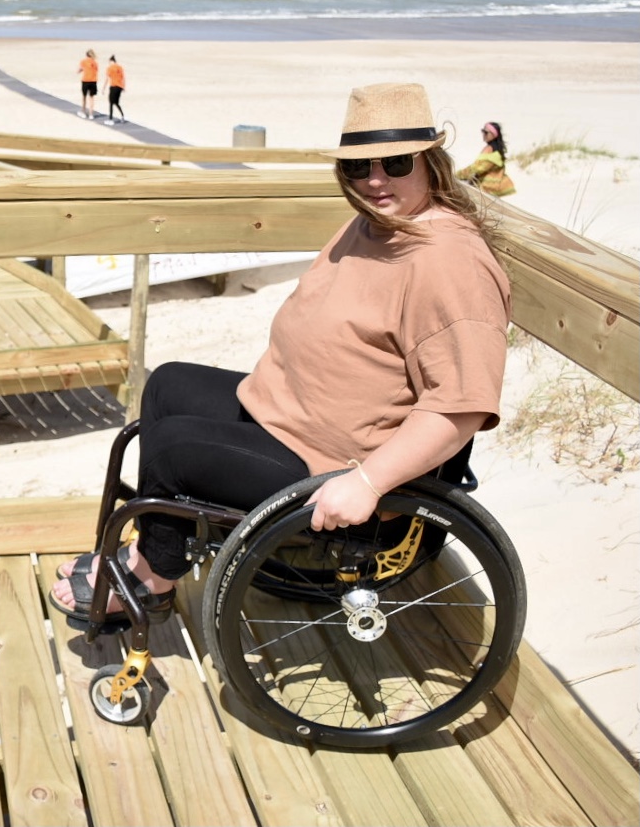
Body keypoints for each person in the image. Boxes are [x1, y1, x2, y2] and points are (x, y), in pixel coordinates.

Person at [49, 82, 511, 623]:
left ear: (431, 161)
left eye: (396, 161)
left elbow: (460, 407)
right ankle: (141, 552)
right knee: (168, 384)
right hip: (289, 417)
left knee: (173, 449)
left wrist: (367, 482)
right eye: (360, 168)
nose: (376, 179)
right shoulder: (378, 222)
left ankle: (151, 579)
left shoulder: (450, 262)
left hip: (337, 463)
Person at [456, 120, 516, 196]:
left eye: (486, 132)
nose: (483, 134)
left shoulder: (490, 149)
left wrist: (457, 175)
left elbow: (477, 168)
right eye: (483, 131)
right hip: (493, 190)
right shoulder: (497, 150)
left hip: (486, 190)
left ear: (494, 135)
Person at [104, 54, 126, 124]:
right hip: (119, 87)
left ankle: (110, 119)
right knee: (116, 102)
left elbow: (107, 78)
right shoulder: (120, 67)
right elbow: (123, 77)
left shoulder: (110, 68)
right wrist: (123, 86)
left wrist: (104, 88)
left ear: (111, 61)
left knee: (111, 103)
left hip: (113, 86)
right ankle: (122, 115)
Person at [78, 49, 99, 120]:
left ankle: (83, 112)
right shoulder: (95, 62)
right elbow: (96, 70)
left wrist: (79, 71)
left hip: (86, 80)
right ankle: (91, 114)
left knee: (84, 97)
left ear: (86, 55)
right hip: (93, 81)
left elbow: (80, 69)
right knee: (91, 98)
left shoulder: (83, 61)